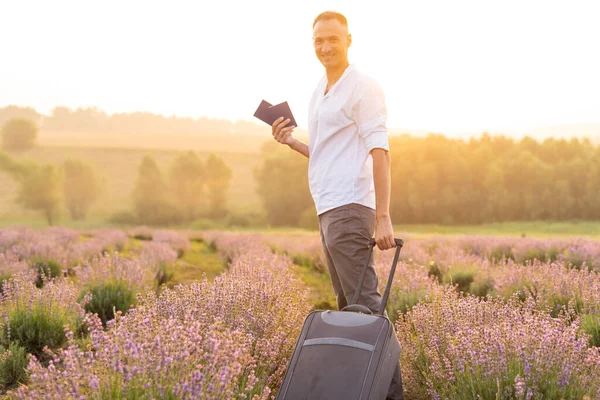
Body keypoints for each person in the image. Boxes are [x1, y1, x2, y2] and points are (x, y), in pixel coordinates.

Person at [270, 10, 403, 400]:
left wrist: (383, 217)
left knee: (366, 310)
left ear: (348, 40)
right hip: (329, 208)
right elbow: (329, 154)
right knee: (350, 313)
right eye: (318, 41)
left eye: (333, 39)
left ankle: (390, 395)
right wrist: (292, 143)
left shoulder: (362, 86)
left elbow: (380, 152)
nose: (325, 46)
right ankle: (358, 390)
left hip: (350, 209)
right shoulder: (319, 91)